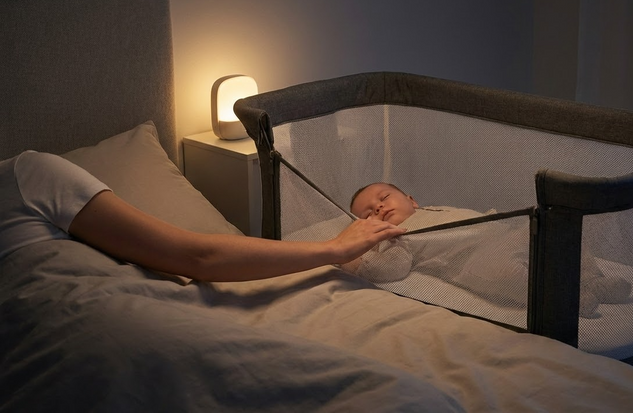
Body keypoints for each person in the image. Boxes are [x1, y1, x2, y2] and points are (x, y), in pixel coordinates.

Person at [0, 151, 406, 282]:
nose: (379, 207)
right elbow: (199, 260)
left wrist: (333, 250)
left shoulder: (30, 174)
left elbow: (195, 257)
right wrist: (335, 248)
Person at [348, 182, 632, 317]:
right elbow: (390, 270)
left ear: (412, 199)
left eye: (383, 198)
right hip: (470, 260)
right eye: (368, 213)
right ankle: (567, 297)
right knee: (503, 273)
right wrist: (352, 256)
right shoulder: (399, 239)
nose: (379, 207)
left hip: (504, 232)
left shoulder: (437, 208)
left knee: (561, 234)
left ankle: (593, 279)